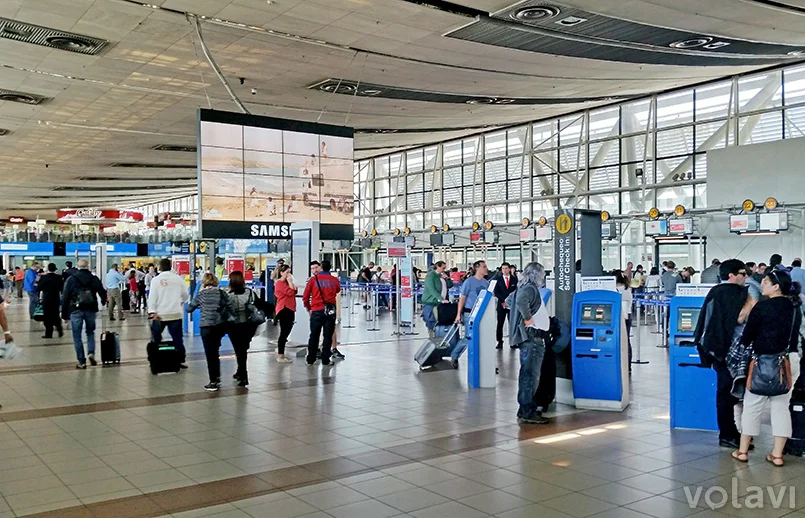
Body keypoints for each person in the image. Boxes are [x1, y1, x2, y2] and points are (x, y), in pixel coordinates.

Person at [733, 269, 802, 466]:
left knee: (752, 405)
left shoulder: (762, 307)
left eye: (764, 281)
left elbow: (746, 338)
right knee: (781, 407)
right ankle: (777, 455)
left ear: (776, 286)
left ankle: (743, 451)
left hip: (763, 362)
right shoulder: (796, 306)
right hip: (789, 361)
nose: (761, 284)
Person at [693, 259, 752, 449]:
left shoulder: (715, 291)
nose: (746, 277)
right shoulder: (732, 292)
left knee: (726, 393)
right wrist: (752, 302)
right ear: (731, 275)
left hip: (716, 350)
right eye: (743, 273)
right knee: (727, 394)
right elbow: (739, 318)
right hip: (728, 352)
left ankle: (730, 432)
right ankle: (727, 434)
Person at [507, 262, 549, 425]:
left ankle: (524, 408)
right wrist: (527, 319)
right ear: (536, 274)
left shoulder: (522, 287)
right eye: (543, 273)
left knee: (527, 374)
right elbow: (520, 302)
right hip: (532, 338)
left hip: (530, 337)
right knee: (530, 375)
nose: (544, 276)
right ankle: (527, 411)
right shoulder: (530, 288)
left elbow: (509, 301)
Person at [61, 259, 107, 369]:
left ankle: (81, 361)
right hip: (90, 308)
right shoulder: (94, 278)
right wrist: (103, 301)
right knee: (90, 332)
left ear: (77, 266)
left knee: (77, 336)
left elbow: (65, 297)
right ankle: (91, 353)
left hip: (75, 310)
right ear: (88, 266)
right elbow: (102, 291)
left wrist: (64, 315)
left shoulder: (71, 279)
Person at [186, 273, 228, 392]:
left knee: (210, 354)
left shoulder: (201, 294)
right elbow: (228, 305)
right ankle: (217, 376)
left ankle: (213, 381)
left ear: (204, 282)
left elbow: (189, 309)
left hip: (206, 327)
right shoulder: (221, 293)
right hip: (219, 326)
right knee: (215, 351)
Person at [147, 258, 189, 369]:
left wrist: (152, 311)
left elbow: (152, 297)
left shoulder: (156, 280)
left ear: (160, 267)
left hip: (159, 315)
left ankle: (155, 358)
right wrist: (179, 302)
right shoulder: (178, 279)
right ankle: (180, 359)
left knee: (156, 338)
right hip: (175, 313)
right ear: (170, 266)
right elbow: (185, 295)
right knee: (177, 339)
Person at [226, 271, 264, 388]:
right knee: (243, 350)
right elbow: (258, 305)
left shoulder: (228, 295)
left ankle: (243, 376)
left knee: (239, 350)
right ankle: (240, 372)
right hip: (248, 325)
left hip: (234, 326)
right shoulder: (250, 293)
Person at [452, 260, 490, 369]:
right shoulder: (468, 282)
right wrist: (458, 314)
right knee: (469, 337)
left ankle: (482, 361)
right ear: (477, 268)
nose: (486, 268)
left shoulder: (486, 283)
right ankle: (455, 355)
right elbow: (462, 298)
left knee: (481, 338)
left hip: (482, 314)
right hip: (470, 313)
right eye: (484, 266)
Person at [303, 260, 340, 365]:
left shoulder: (313, 280)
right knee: (328, 336)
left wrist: (309, 308)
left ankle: (310, 359)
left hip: (316, 311)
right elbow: (337, 290)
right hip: (330, 312)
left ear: (321, 268)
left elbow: (305, 297)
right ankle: (325, 360)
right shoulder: (334, 280)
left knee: (314, 335)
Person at [274, 264, 297, 363]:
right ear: (281, 273)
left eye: (289, 272)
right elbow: (291, 292)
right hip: (284, 309)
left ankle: (281, 352)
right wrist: (290, 282)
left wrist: (291, 283)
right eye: (287, 272)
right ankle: (280, 354)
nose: (289, 275)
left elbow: (295, 290)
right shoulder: (279, 283)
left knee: (287, 331)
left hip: (290, 308)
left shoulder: (288, 282)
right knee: (284, 332)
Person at [422, 261, 452, 335]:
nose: (444, 270)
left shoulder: (442, 275)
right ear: (438, 267)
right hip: (431, 301)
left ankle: (438, 333)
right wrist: (441, 299)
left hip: (440, 302)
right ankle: (432, 333)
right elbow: (431, 289)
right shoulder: (431, 275)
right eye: (443, 268)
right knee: (430, 319)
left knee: (438, 319)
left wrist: (447, 278)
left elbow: (450, 285)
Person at [493, 262, 518, 349]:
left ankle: (513, 341)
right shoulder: (498, 280)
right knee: (500, 323)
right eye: (503, 268)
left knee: (512, 323)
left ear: (509, 269)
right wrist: (503, 301)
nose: (504, 270)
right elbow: (496, 292)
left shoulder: (514, 280)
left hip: (511, 305)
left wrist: (510, 301)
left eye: (506, 268)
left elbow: (516, 291)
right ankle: (499, 341)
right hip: (501, 304)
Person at [37, 263, 64, 339]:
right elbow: (62, 288)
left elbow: (38, 288)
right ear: (55, 269)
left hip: (47, 299)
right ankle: (59, 329)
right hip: (55, 298)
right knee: (56, 314)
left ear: (48, 269)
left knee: (47, 316)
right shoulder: (59, 277)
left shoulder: (44, 277)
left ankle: (49, 333)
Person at [615, 270, 633, 369]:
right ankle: (628, 366)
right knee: (626, 340)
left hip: (619, 316)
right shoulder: (627, 288)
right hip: (628, 315)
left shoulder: (616, 290)